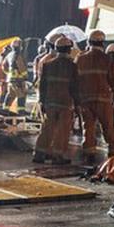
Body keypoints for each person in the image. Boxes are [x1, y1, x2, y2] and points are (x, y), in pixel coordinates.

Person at [75, 29, 114, 163]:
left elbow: (76, 79)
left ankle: (89, 152)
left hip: (85, 98)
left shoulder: (80, 58)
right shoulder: (107, 59)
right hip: (103, 99)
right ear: (102, 43)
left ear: (89, 42)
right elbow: (112, 80)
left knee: (88, 126)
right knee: (108, 126)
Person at [33, 36, 80, 165]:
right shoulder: (72, 66)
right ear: (68, 49)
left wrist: (42, 101)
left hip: (49, 102)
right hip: (65, 103)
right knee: (63, 130)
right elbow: (74, 87)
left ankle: (39, 153)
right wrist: (77, 104)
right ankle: (57, 155)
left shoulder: (48, 65)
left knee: (47, 127)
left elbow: (42, 85)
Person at [2, 38, 29, 113]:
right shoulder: (18, 55)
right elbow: (21, 67)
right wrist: (25, 76)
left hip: (10, 80)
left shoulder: (9, 55)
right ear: (20, 47)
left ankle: (5, 110)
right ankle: (21, 111)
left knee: (11, 95)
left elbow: (3, 66)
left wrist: (9, 73)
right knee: (21, 95)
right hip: (18, 81)